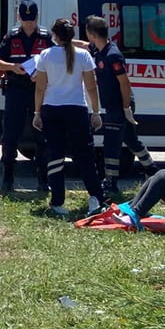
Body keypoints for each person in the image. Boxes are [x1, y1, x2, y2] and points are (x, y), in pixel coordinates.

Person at [32, 18, 106, 219]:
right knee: (85, 155)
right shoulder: (84, 55)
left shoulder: (45, 55)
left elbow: (40, 87)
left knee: (55, 155)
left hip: (52, 108)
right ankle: (96, 197)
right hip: (77, 109)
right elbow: (91, 87)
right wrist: (96, 112)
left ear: (54, 36)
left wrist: (37, 113)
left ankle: (57, 201)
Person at [82, 15, 159, 200]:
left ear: (92, 34)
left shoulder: (112, 55)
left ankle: (111, 183)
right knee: (132, 141)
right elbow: (84, 45)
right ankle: (152, 170)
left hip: (119, 106)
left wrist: (126, 108)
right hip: (113, 106)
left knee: (111, 144)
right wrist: (65, 40)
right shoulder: (99, 49)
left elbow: (125, 84)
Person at [0, 0, 54, 192]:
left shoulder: (46, 37)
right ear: (19, 17)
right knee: (10, 136)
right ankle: (7, 181)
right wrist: (13, 67)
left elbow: (56, 61)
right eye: (25, 19)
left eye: (32, 19)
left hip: (39, 91)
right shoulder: (11, 36)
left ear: (37, 17)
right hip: (16, 90)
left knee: (42, 137)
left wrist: (44, 75)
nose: (28, 23)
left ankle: (43, 183)